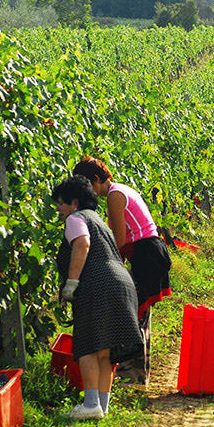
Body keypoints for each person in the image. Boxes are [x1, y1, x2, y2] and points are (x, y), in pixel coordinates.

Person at [72, 156, 172, 390]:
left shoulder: (115, 197)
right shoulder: (121, 189)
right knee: (138, 314)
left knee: (130, 316)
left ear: (96, 180)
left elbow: (119, 240)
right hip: (150, 253)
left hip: (146, 255)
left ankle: (131, 378)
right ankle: (138, 376)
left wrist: (107, 268)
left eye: (88, 186)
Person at [51, 175, 144, 420]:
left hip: (97, 286)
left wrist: (72, 283)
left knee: (88, 346)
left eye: (61, 203)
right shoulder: (97, 219)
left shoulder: (76, 218)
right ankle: (102, 405)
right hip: (121, 283)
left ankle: (91, 404)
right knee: (104, 351)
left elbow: (82, 244)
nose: (59, 209)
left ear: (74, 202)